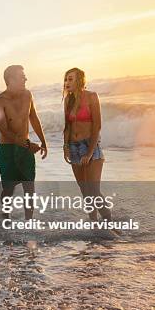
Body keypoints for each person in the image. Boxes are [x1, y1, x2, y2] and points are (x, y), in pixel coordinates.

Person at [0, 65, 47, 219]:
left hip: (25, 150)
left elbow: (34, 117)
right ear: (10, 80)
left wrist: (43, 141)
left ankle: (29, 223)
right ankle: (6, 218)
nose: (26, 79)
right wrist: (27, 144)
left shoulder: (28, 95)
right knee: (8, 188)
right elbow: (3, 130)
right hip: (7, 150)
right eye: (22, 76)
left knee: (29, 188)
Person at [62, 67, 111, 221]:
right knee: (85, 191)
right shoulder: (68, 100)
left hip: (90, 146)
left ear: (79, 80)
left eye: (70, 79)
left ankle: (109, 222)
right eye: (65, 79)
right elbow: (67, 126)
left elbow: (97, 125)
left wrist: (89, 153)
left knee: (94, 191)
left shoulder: (91, 96)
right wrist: (66, 147)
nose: (66, 82)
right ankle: (95, 224)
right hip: (74, 148)